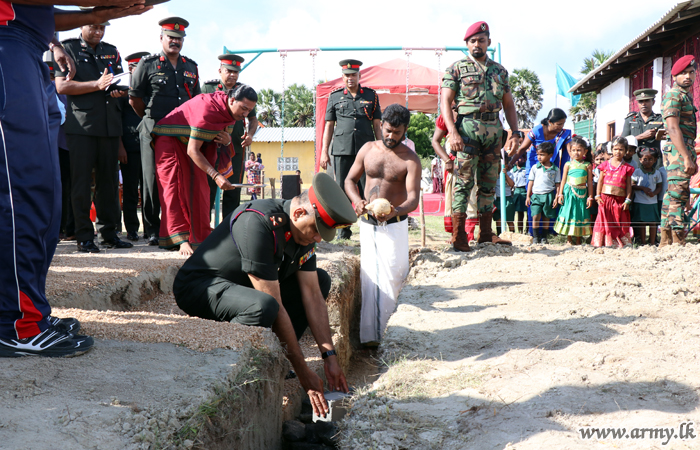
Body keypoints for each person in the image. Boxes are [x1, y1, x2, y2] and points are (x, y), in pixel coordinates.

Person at [0, 1, 151, 357]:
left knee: (47, 198)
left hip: (29, 49)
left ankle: (30, 310)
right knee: (22, 192)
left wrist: (96, 15)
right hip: (8, 46)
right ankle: (15, 323)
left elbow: (34, 11)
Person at [173, 172, 356, 417]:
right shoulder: (258, 222)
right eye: (316, 231)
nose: (317, 239)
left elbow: (312, 295)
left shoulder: (303, 230)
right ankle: (240, 363)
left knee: (321, 280)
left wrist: (330, 357)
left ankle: (278, 358)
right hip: (200, 287)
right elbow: (276, 305)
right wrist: (302, 371)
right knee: (264, 307)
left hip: (242, 288)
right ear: (299, 213)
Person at [344, 104, 421, 346]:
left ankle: (393, 337)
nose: (390, 136)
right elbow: (349, 179)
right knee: (369, 278)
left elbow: (413, 199)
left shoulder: (411, 160)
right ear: (381, 126)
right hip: (367, 224)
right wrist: (357, 201)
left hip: (395, 225)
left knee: (394, 275)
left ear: (405, 130)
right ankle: (369, 338)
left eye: (397, 133)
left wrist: (394, 211)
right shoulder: (368, 149)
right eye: (387, 130)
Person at [441, 21, 521, 248]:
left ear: (488, 42)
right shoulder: (455, 69)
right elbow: (445, 102)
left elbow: (509, 105)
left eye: (481, 40)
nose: (477, 44)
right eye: (473, 40)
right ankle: (459, 235)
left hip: (494, 132)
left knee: (489, 183)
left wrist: (515, 133)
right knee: (463, 182)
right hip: (467, 129)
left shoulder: (500, 71)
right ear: (467, 43)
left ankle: (486, 233)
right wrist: (452, 132)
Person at [55, 22, 133, 252]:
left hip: (110, 126)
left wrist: (118, 90)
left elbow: (115, 83)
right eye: (94, 27)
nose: (98, 31)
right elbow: (61, 86)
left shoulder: (112, 50)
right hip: (82, 127)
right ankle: (84, 236)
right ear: (82, 26)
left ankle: (109, 234)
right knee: (81, 184)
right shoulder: (68, 49)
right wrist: (97, 85)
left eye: (102, 28)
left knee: (108, 183)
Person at [152, 85, 257, 256]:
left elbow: (214, 138)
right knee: (175, 187)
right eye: (243, 109)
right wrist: (216, 175)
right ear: (232, 100)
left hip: (195, 145)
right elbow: (193, 150)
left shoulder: (230, 111)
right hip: (170, 139)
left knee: (200, 188)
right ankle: (181, 240)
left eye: (249, 110)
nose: (245, 114)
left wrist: (227, 141)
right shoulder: (208, 110)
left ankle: (199, 237)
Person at [129, 17, 201, 246]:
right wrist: (149, 119)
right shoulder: (147, 64)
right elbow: (135, 99)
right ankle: (153, 229)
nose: (175, 42)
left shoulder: (191, 66)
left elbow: (197, 100)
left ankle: (178, 228)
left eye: (179, 39)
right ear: (161, 38)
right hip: (154, 128)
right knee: (152, 180)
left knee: (179, 180)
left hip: (181, 131)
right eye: (170, 37)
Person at [320, 59, 382, 240]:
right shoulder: (334, 97)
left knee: (368, 187)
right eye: (347, 75)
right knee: (341, 189)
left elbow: (377, 125)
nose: (350, 78)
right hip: (341, 149)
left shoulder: (372, 96)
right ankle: (343, 229)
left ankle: (371, 225)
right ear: (342, 77)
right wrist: (324, 151)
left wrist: (381, 148)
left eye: (353, 75)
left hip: (367, 150)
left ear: (359, 76)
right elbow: (329, 126)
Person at [202, 54, 259, 221]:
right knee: (208, 189)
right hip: (211, 147)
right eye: (229, 71)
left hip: (235, 148)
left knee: (233, 190)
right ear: (220, 71)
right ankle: (204, 229)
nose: (233, 75)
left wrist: (249, 135)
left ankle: (229, 229)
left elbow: (253, 119)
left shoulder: (244, 91)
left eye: (236, 71)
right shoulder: (208, 88)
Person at [659, 56, 697, 247]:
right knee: (678, 194)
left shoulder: (684, 95)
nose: (688, 76)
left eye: (691, 72)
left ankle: (665, 239)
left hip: (684, 147)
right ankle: (677, 237)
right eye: (683, 73)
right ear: (674, 76)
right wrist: (686, 156)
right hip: (677, 149)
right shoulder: (674, 95)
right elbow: (673, 129)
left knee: (673, 193)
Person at [119, 51, 149, 241]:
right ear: (130, 68)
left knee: (149, 191)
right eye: (138, 66)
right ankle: (131, 229)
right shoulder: (121, 91)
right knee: (130, 190)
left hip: (149, 147)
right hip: (129, 148)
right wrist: (119, 146)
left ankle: (150, 230)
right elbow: (116, 121)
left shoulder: (151, 89)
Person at [592, 137, 635, 248]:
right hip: (605, 198)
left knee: (618, 220)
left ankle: (619, 243)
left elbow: (629, 186)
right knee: (604, 220)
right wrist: (597, 195)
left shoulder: (627, 168)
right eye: (615, 149)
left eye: (621, 149)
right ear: (612, 150)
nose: (618, 152)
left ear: (626, 151)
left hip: (619, 200)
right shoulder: (605, 165)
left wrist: (628, 200)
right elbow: (600, 181)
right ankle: (603, 243)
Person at [553, 136, 594, 245]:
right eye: (573, 150)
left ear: (585, 151)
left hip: (582, 193)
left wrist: (590, 196)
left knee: (579, 214)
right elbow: (563, 180)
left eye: (579, 150)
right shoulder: (568, 164)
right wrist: (560, 194)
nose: (576, 153)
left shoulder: (587, 165)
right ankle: (569, 239)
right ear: (570, 152)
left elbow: (589, 182)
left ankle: (579, 239)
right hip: (569, 192)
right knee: (570, 213)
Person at [525, 142, 561, 244]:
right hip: (536, 195)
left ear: (550, 155)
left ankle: (544, 237)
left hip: (549, 195)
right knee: (535, 215)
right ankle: (535, 237)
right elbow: (530, 182)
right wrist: (528, 196)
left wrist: (556, 197)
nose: (539, 157)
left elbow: (557, 184)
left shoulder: (555, 170)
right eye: (538, 155)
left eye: (542, 154)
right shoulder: (534, 168)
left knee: (546, 216)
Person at [631, 148, 663, 246]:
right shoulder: (637, 172)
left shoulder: (657, 173)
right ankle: (643, 242)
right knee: (642, 223)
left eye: (650, 159)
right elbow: (632, 185)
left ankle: (652, 242)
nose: (647, 162)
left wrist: (654, 193)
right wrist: (642, 188)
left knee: (653, 223)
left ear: (655, 160)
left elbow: (659, 187)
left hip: (652, 202)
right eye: (645, 159)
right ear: (640, 160)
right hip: (640, 201)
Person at [621, 88, 664, 160]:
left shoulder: (660, 119)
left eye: (647, 101)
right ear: (637, 103)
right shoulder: (630, 119)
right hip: (636, 160)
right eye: (640, 101)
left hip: (654, 161)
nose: (643, 104)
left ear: (653, 102)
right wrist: (641, 136)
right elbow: (622, 142)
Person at [494, 165, 515, 235]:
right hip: (498, 199)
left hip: (507, 199)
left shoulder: (509, 174)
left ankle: (512, 236)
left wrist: (505, 174)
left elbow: (511, 184)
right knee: (498, 220)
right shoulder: (494, 174)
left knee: (509, 220)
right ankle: (499, 235)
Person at [510, 155, 528, 233]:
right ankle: (520, 231)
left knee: (528, 213)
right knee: (519, 213)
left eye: (520, 157)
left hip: (525, 190)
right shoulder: (512, 171)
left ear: (524, 159)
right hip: (516, 191)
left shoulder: (527, 169)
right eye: (516, 158)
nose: (518, 160)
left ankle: (527, 230)